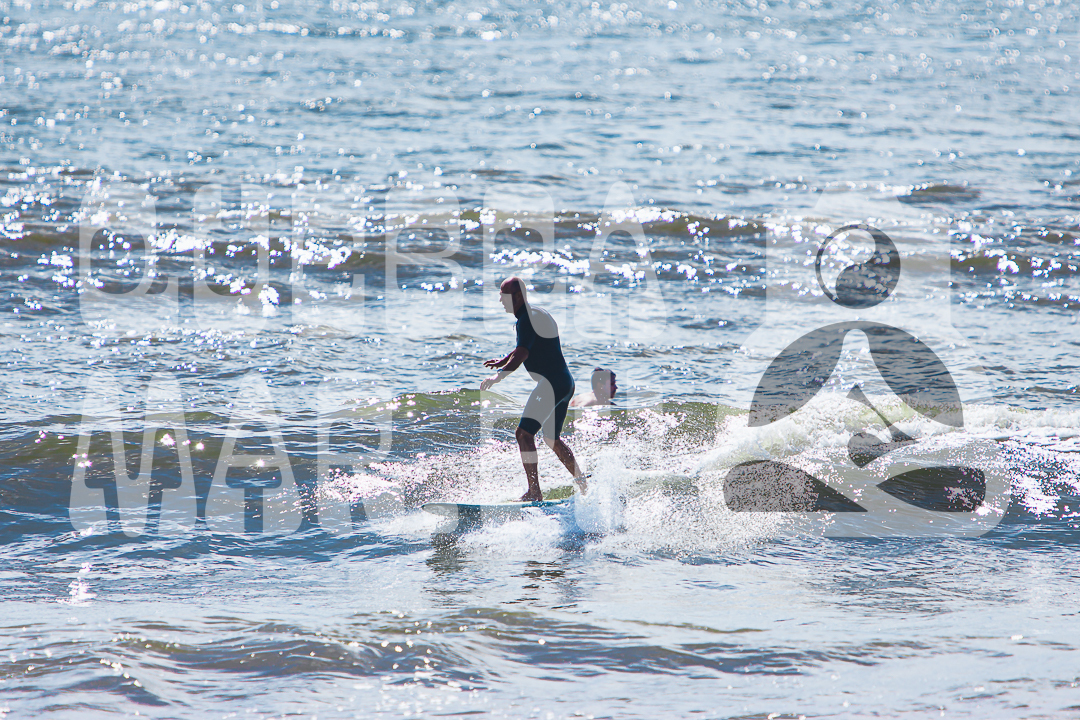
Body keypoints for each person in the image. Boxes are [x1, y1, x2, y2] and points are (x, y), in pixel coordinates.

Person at [480, 277, 588, 501]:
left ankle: (534, 492)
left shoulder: (525, 319)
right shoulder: (536, 314)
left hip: (550, 385)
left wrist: (498, 376)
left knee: (523, 434)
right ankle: (584, 485)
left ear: (518, 296)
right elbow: (526, 345)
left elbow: (523, 353)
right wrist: (504, 360)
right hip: (565, 383)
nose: (501, 300)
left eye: (504, 295)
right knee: (552, 438)